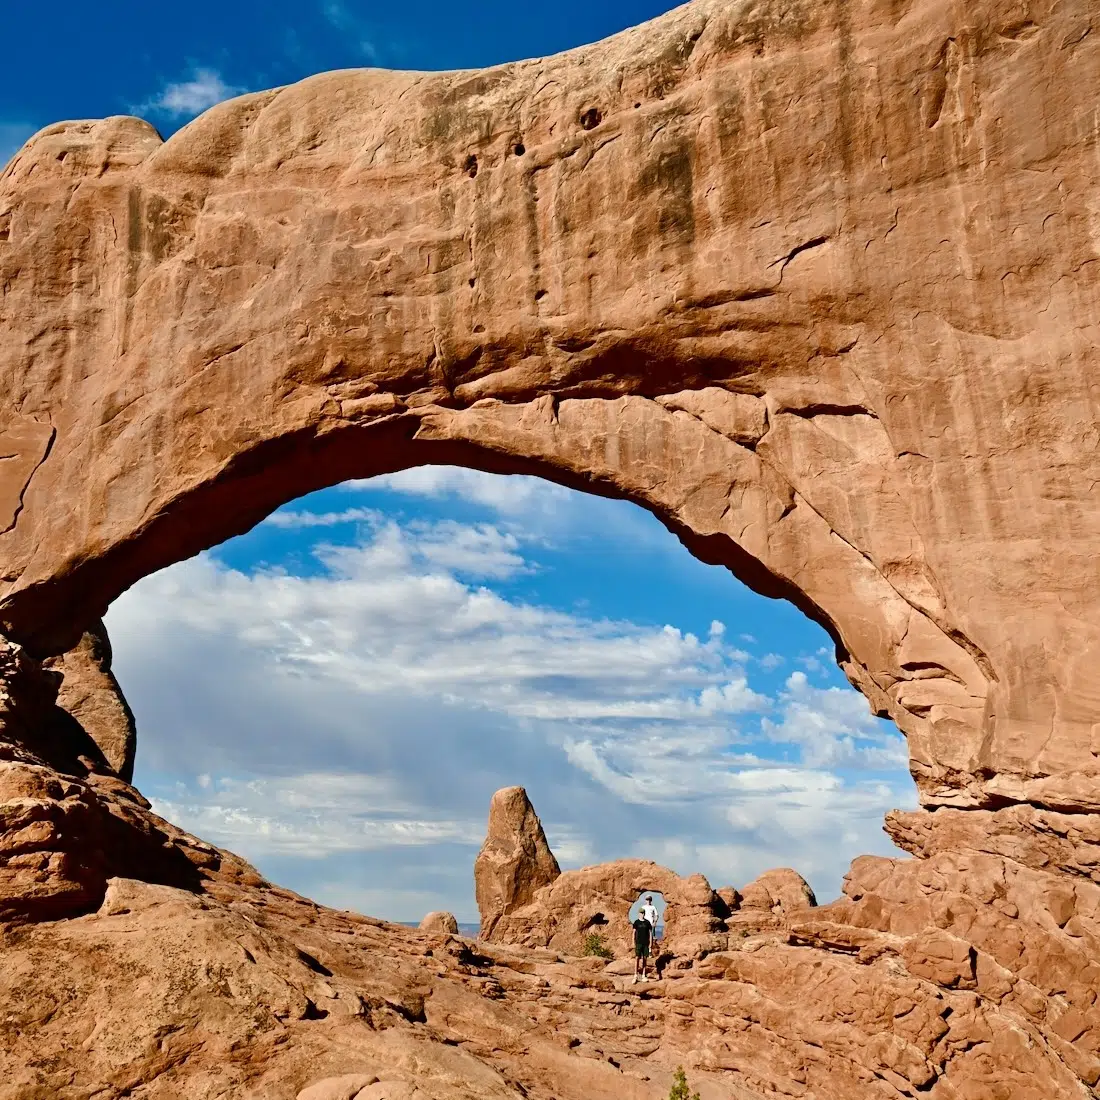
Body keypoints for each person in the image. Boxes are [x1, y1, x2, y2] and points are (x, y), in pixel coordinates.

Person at [631, 912, 653, 983]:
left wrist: (651, 943)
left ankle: (643, 975)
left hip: (645, 943)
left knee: (645, 958)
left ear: (644, 914)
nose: (642, 914)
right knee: (637, 958)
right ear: (639, 914)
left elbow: (650, 933)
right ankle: (635, 975)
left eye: (643, 913)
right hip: (638, 943)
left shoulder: (647, 922)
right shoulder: (636, 922)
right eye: (640, 913)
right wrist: (633, 942)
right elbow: (633, 933)